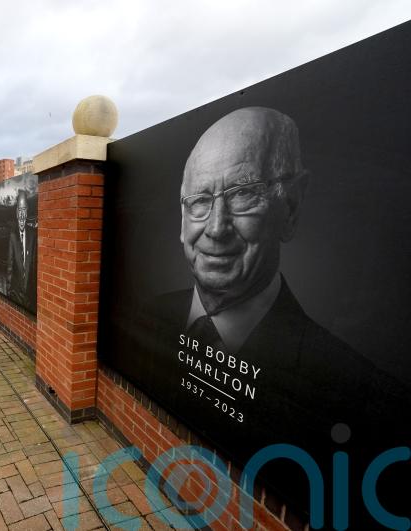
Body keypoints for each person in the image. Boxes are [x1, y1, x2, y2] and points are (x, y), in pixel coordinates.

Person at [118, 106, 407, 522]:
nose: (216, 227)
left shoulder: (369, 405)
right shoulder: (147, 315)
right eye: (199, 201)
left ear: (289, 207)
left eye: (243, 194)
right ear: (182, 221)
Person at [6, 189, 37, 310]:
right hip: (16, 295)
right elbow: (9, 267)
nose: (22, 215)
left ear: (27, 211)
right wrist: (9, 293)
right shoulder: (12, 236)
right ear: (16, 212)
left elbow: (35, 265)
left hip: (30, 297)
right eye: (20, 210)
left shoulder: (34, 235)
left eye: (24, 210)